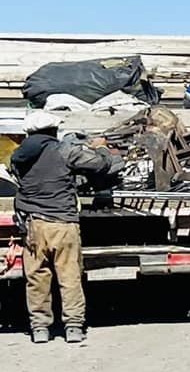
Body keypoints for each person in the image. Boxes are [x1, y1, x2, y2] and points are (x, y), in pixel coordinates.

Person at [8, 108, 122, 344]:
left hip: (32, 225)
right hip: (62, 222)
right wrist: (101, 147)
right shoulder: (63, 150)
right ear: (53, 130)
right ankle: (73, 327)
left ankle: (39, 328)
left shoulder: (18, 155)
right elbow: (100, 165)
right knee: (69, 276)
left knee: (37, 277)